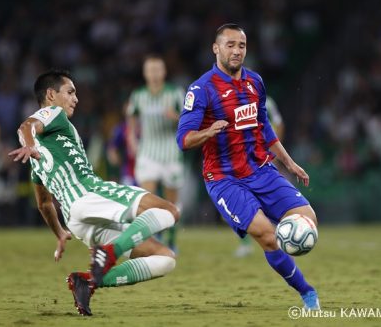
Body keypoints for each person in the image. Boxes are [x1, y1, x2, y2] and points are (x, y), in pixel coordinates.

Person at [8, 70, 180, 316]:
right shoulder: (53, 114)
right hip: (88, 193)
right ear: (51, 94)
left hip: (75, 220)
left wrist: (60, 234)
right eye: (70, 92)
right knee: (169, 210)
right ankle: (111, 253)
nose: (75, 99)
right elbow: (27, 126)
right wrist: (29, 144)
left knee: (165, 259)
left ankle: (87, 281)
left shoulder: (38, 159)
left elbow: (44, 204)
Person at [176, 23, 320, 310]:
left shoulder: (255, 82)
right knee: (268, 236)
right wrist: (208, 132)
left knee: (308, 218)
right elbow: (184, 139)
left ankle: (283, 236)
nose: (236, 50)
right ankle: (307, 293)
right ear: (216, 49)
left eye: (241, 45)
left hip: (261, 170)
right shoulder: (201, 89)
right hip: (224, 179)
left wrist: (289, 163)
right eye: (230, 45)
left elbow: (264, 127)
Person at [127, 55, 185, 252]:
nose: (153, 74)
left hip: (170, 153)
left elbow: (190, 121)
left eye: (157, 69)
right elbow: (131, 120)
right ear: (144, 73)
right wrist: (132, 141)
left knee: (171, 202)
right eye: (149, 70)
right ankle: (154, 239)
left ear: (164, 72)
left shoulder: (175, 93)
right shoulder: (138, 95)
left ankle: (172, 239)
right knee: (148, 199)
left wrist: (175, 117)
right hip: (148, 153)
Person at [234, 94, 285, 258]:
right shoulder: (226, 102)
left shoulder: (266, 101)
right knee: (239, 202)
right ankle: (245, 244)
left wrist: (273, 149)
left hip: (263, 158)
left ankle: (281, 234)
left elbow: (279, 124)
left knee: (269, 197)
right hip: (239, 161)